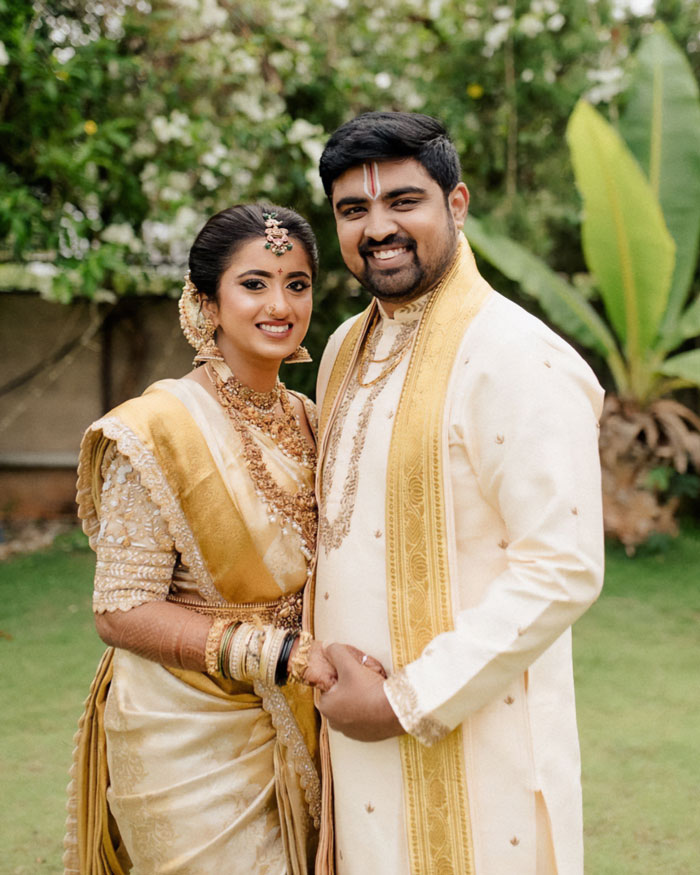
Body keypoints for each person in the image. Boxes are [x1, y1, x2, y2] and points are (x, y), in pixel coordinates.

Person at [311, 112, 605, 874]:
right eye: (354, 210)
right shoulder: (345, 346)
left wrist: (409, 698)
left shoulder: (517, 355)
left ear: (457, 202)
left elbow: (564, 564)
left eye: (403, 201)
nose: (379, 228)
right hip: (353, 747)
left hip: (477, 746)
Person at [64, 204, 337, 875]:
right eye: (254, 284)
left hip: (298, 714)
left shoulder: (312, 419)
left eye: (297, 284)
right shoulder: (157, 431)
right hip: (182, 733)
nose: (280, 304)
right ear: (206, 302)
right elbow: (120, 609)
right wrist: (267, 652)